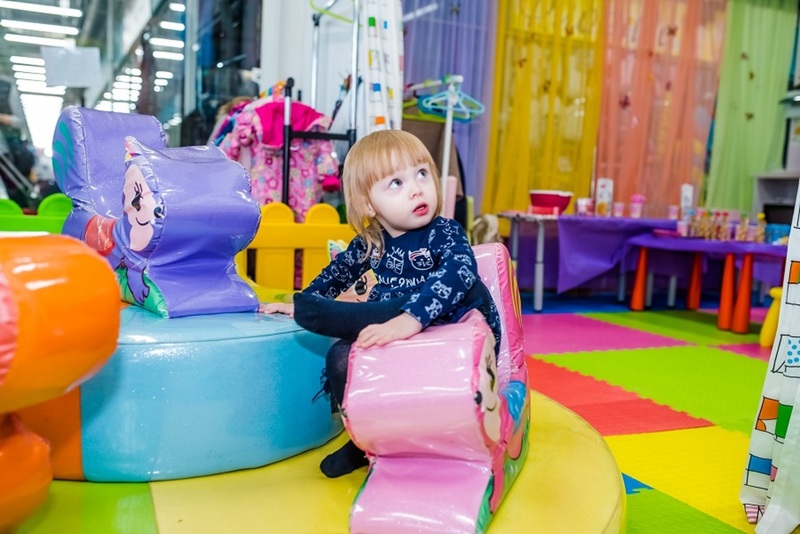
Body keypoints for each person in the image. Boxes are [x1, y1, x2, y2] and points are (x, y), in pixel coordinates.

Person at [260, 129, 501, 478]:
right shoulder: (371, 242)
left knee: (449, 287)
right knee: (339, 356)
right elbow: (335, 275)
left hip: (452, 325)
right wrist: (304, 304)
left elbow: (459, 272)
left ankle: (355, 316)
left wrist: (411, 318)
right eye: (397, 183)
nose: (417, 189)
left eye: (422, 174)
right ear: (369, 204)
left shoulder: (444, 231)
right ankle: (364, 439)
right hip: (391, 325)